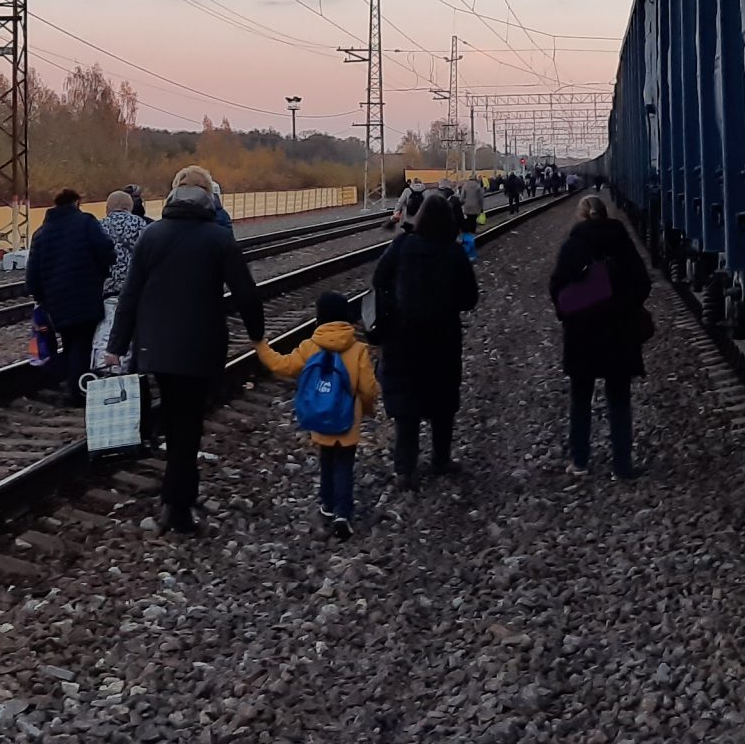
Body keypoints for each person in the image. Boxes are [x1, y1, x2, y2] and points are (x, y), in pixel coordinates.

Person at [105, 164, 265, 534]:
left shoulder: (152, 235)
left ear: (174, 193)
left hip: (157, 346)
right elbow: (246, 294)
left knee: (177, 419)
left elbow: (130, 294)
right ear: (209, 196)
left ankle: (180, 496)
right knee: (188, 423)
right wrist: (257, 336)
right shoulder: (218, 238)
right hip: (200, 347)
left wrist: (117, 345)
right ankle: (176, 506)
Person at [369, 191, 478, 489]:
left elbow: (378, 279)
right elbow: (470, 299)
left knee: (407, 403)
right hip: (443, 338)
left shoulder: (402, 244)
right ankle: (441, 459)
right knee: (443, 399)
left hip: (403, 337)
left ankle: (405, 470)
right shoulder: (454, 252)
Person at [254, 289, 381, 540]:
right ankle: (343, 513)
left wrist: (261, 346)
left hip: (321, 418)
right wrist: (367, 409)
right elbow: (368, 388)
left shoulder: (309, 347)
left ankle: (327, 505)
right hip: (348, 419)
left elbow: (282, 365)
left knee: (327, 460)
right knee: (344, 464)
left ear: (319, 318)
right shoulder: (358, 349)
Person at [548, 192, 654, 480]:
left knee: (581, 398)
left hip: (582, 335)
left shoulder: (573, 244)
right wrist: (623, 306)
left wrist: (571, 314)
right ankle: (622, 466)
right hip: (620, 332)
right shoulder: (622, 241)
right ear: (604, 213)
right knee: (619, 399)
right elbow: (643, 283)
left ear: (581, 216)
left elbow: (557, 288)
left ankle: (580, 462)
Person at [25, 189, 113, 405]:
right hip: (86, 294)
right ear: (76, 202)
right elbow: (107, 251)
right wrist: (102, 272)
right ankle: (78, 392)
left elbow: (32, 274)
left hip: (56, 301)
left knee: (70, 341)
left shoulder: (41, 233)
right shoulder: (86, 222)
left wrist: (41, 297)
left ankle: (72, 385)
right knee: (82, 343)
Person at [95, 188, 148, 363]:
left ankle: (103, 367)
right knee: (131, 333)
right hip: (134, 288)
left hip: (107, 288)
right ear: (129, 206)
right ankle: (128, 367)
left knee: (105, 331)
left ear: (108, 207)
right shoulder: (140, 224)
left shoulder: (99, 226)